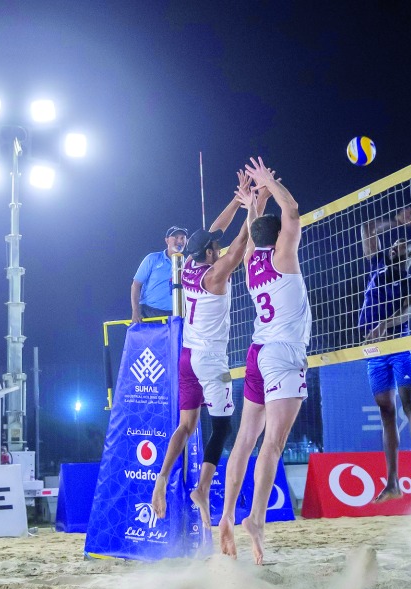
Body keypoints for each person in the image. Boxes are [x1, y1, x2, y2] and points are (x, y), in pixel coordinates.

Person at [151, 172, 268, 538]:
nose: (218, 249)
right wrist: (253, 207)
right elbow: (240, 243)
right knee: (222, 427)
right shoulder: (215, 275)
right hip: (211, 363)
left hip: (187, 357)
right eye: (214, 249)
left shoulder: (188, 264)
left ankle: (162, 478)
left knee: (186, 427)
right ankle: (202, 489)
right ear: (209, 255)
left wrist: (236, 200)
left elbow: (216, 231)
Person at [217, 157, 310, 565]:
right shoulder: (283, 258)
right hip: (283, 355)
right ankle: (255, 518)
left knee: (245, 439)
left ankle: (225, 514)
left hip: (256, 353)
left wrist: (254, 202)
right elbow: (293, 212)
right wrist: (270, 183)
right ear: (281, 237)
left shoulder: (253, 261)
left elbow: (258, 228)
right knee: (273, 443)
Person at [359, 208, 411, 502]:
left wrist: (384, 325)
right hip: (375, 352)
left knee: (409, 403)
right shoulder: (377, 265)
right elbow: (367, 228)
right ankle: (392, 483)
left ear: (409, 256)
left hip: (400, 346)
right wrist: (395, 221)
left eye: (401, 246)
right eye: (393, 244)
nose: (394, 246)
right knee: (386, 411)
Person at [131, 226, 188, 322]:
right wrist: (135, 311)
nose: (179, 241)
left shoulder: (187, 264)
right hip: (150, 313)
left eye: (182, 238)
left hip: (177, 314)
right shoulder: (152, 259)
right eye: (176, 237)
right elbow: (136, 285)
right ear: (167, 240)